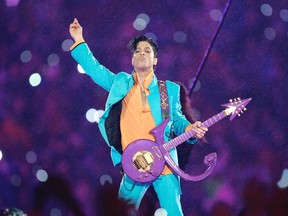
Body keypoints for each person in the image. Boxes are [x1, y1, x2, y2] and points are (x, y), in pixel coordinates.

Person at [69, 18, 208, 215]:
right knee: (120, 211)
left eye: (147, 51)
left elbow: (176, 120)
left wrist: (189, 129)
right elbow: (95, 70)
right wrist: (79, 40)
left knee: (174, 211)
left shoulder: (168, 89)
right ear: (133, 59)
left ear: (155, 60)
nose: (142, 54)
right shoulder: (120, 83)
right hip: (134, 161)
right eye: (138, 52)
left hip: (165, 160)